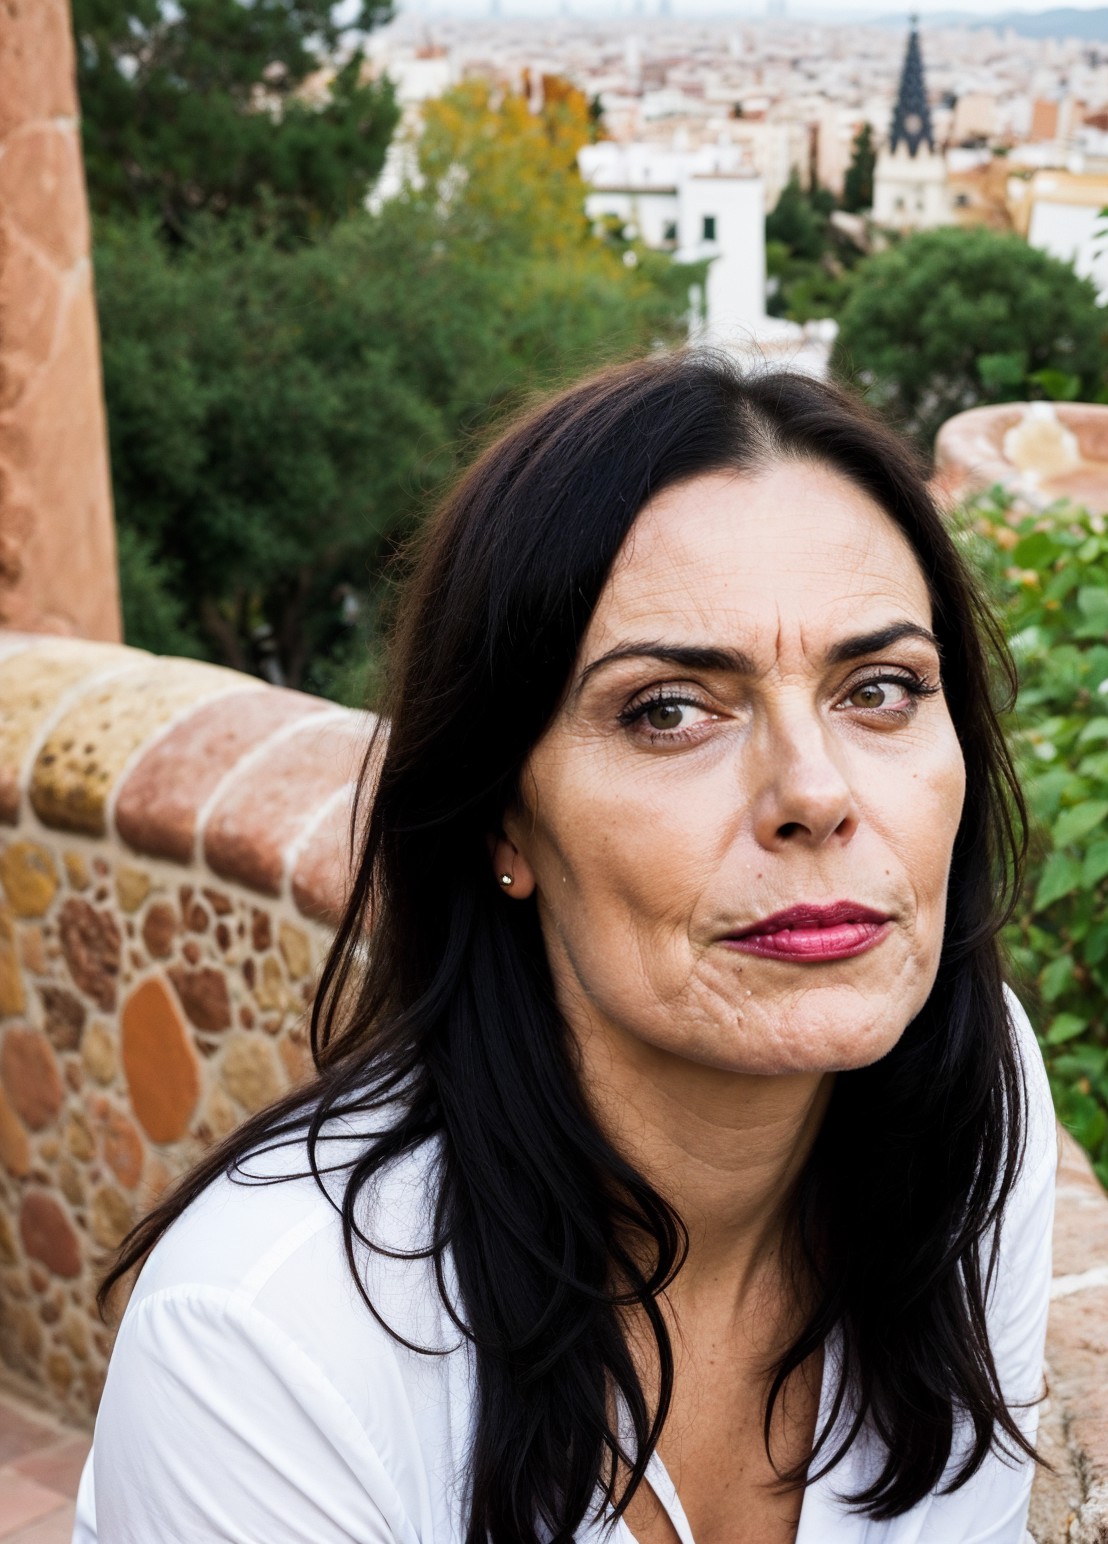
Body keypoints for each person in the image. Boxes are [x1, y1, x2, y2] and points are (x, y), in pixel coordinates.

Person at [74, 353, 1058, 1544]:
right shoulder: (264, 1348)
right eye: (670, 710)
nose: (814, 791)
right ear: (503, 812)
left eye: (881, 687)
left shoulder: (966, 1102)